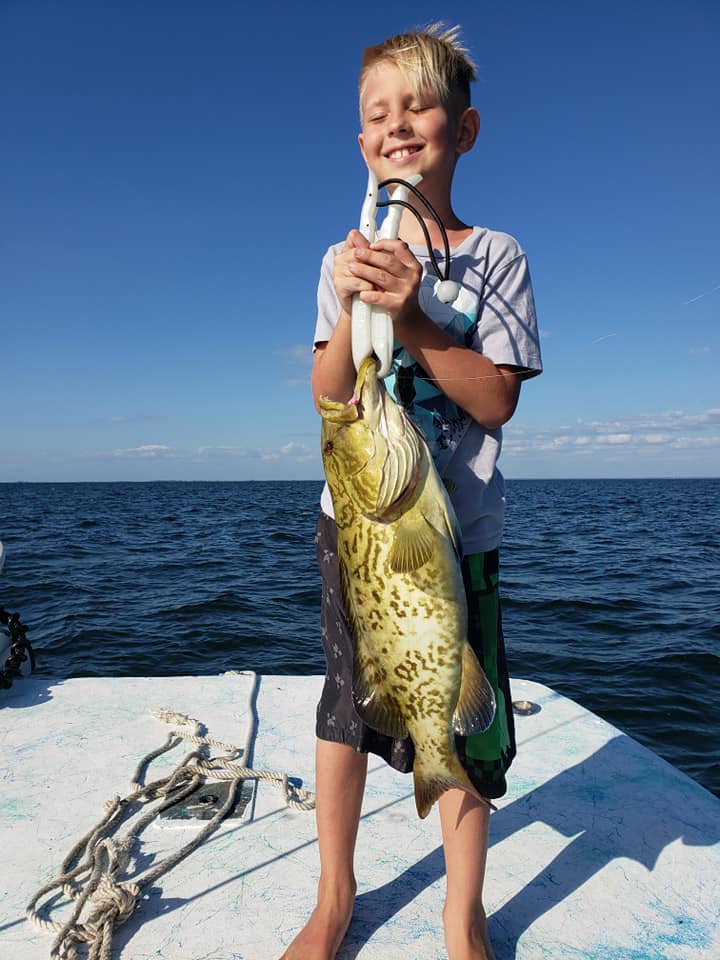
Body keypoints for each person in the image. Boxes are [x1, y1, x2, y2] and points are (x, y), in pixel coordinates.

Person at [282, 23, 542, 960]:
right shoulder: (339, 259)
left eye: (418, 107)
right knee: (346, 709)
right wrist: (358, 311)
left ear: (463, 130)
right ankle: (335, 897)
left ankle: (460, 914)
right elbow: (327, 390)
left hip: (457, 535)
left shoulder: (496, 256)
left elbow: (497, 400)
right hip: (360, 529)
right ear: (361, 143)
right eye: (377, 115)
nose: (397, 127)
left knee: (461, 726)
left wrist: (419, 318)